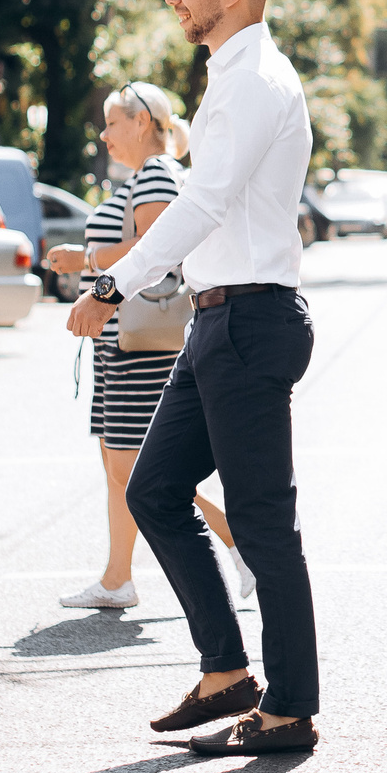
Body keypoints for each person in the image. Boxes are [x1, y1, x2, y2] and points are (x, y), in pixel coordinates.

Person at [70, 0, 318, 756]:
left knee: (262, 521)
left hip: (250, 317)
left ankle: (288, 708)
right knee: (154, 488)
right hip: (218, 319)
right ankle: (226, 674)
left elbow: (204, 201)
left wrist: (115, 280)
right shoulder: (229, 80)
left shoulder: (255, 82)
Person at [43, 81, 256, 610]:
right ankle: (117, 579)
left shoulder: (157, 172)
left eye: (113, 122)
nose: (104, 133)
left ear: (142, 122)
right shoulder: (145, 175)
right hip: (120, 342)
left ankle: (236, 541)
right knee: (117, 465)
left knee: (134, 470)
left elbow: (154, 247)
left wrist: (85, 259)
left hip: (142, 343)